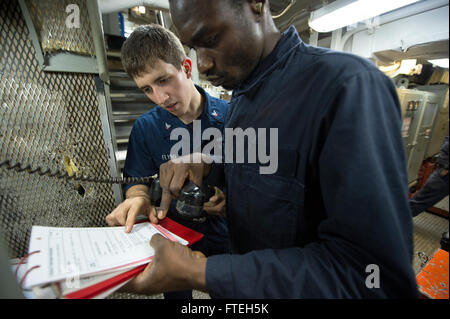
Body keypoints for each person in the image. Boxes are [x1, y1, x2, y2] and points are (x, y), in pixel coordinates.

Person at [121, 0, 418, 298]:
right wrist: (212, 166)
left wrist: (202, 273)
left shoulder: (347, 86)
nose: (203, 64)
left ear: (255, 4)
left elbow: (376, 277)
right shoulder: (243, 100)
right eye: (195, 49)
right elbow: (270, 185)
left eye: (210, 40)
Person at [105, 24, 229, 298]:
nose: (160, 98)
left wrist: (228, 200)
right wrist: (138, 198)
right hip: (172, 234)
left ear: (186, 68)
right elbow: (137, 182)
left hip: (223, 236)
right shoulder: (145, 129)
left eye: (163, 80)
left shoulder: (233, 118)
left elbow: (255, 179)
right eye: (147, 89)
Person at [410, 136, 449, 217]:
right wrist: (446, 167)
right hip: (445, 173)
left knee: (418, 202)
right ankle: (392, 223)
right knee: (418, 202)